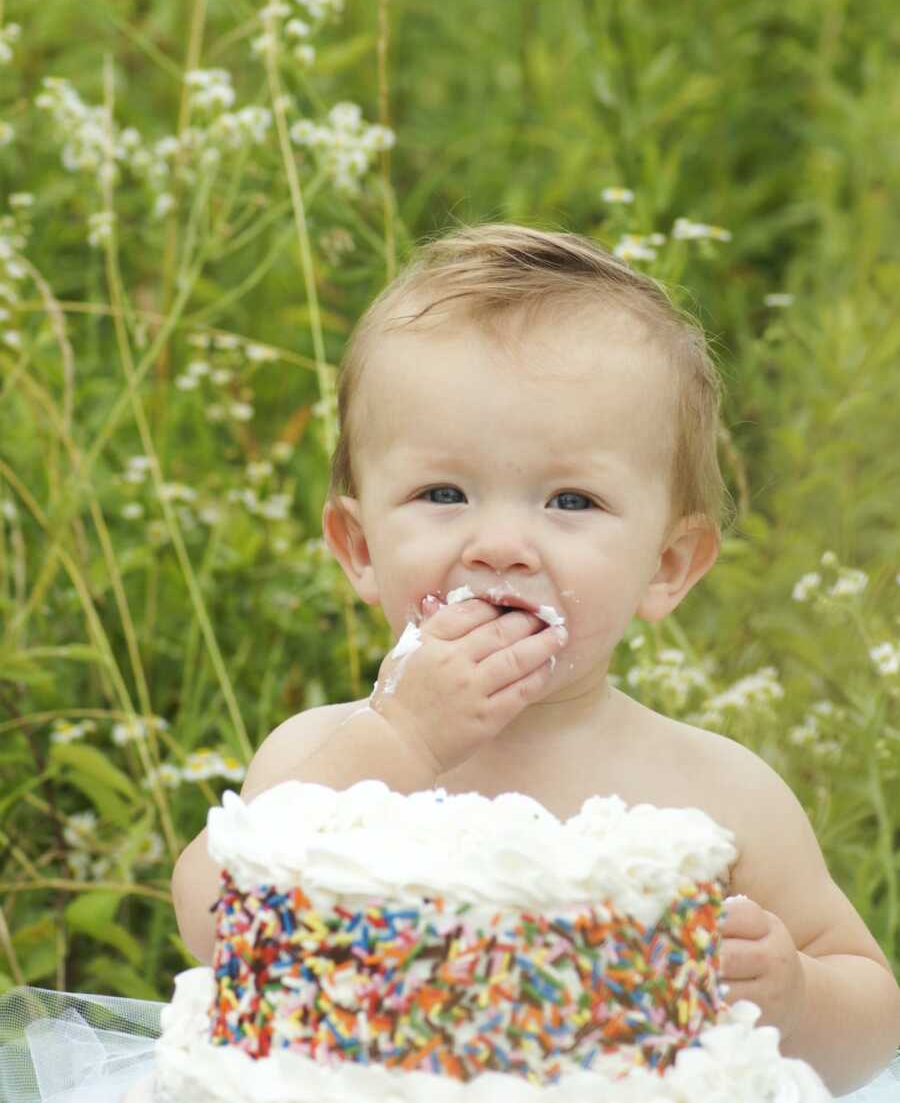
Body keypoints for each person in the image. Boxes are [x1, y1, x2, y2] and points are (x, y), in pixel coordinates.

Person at [172, 222, 900, 1097]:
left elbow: (874, 1026)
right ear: (359, 547)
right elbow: (217, 919)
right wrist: (400, 739)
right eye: (443, 494)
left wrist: (797, 997)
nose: (504, 545)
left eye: (571, 500)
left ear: (667, 567)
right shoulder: (328, 760)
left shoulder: (715, 788)